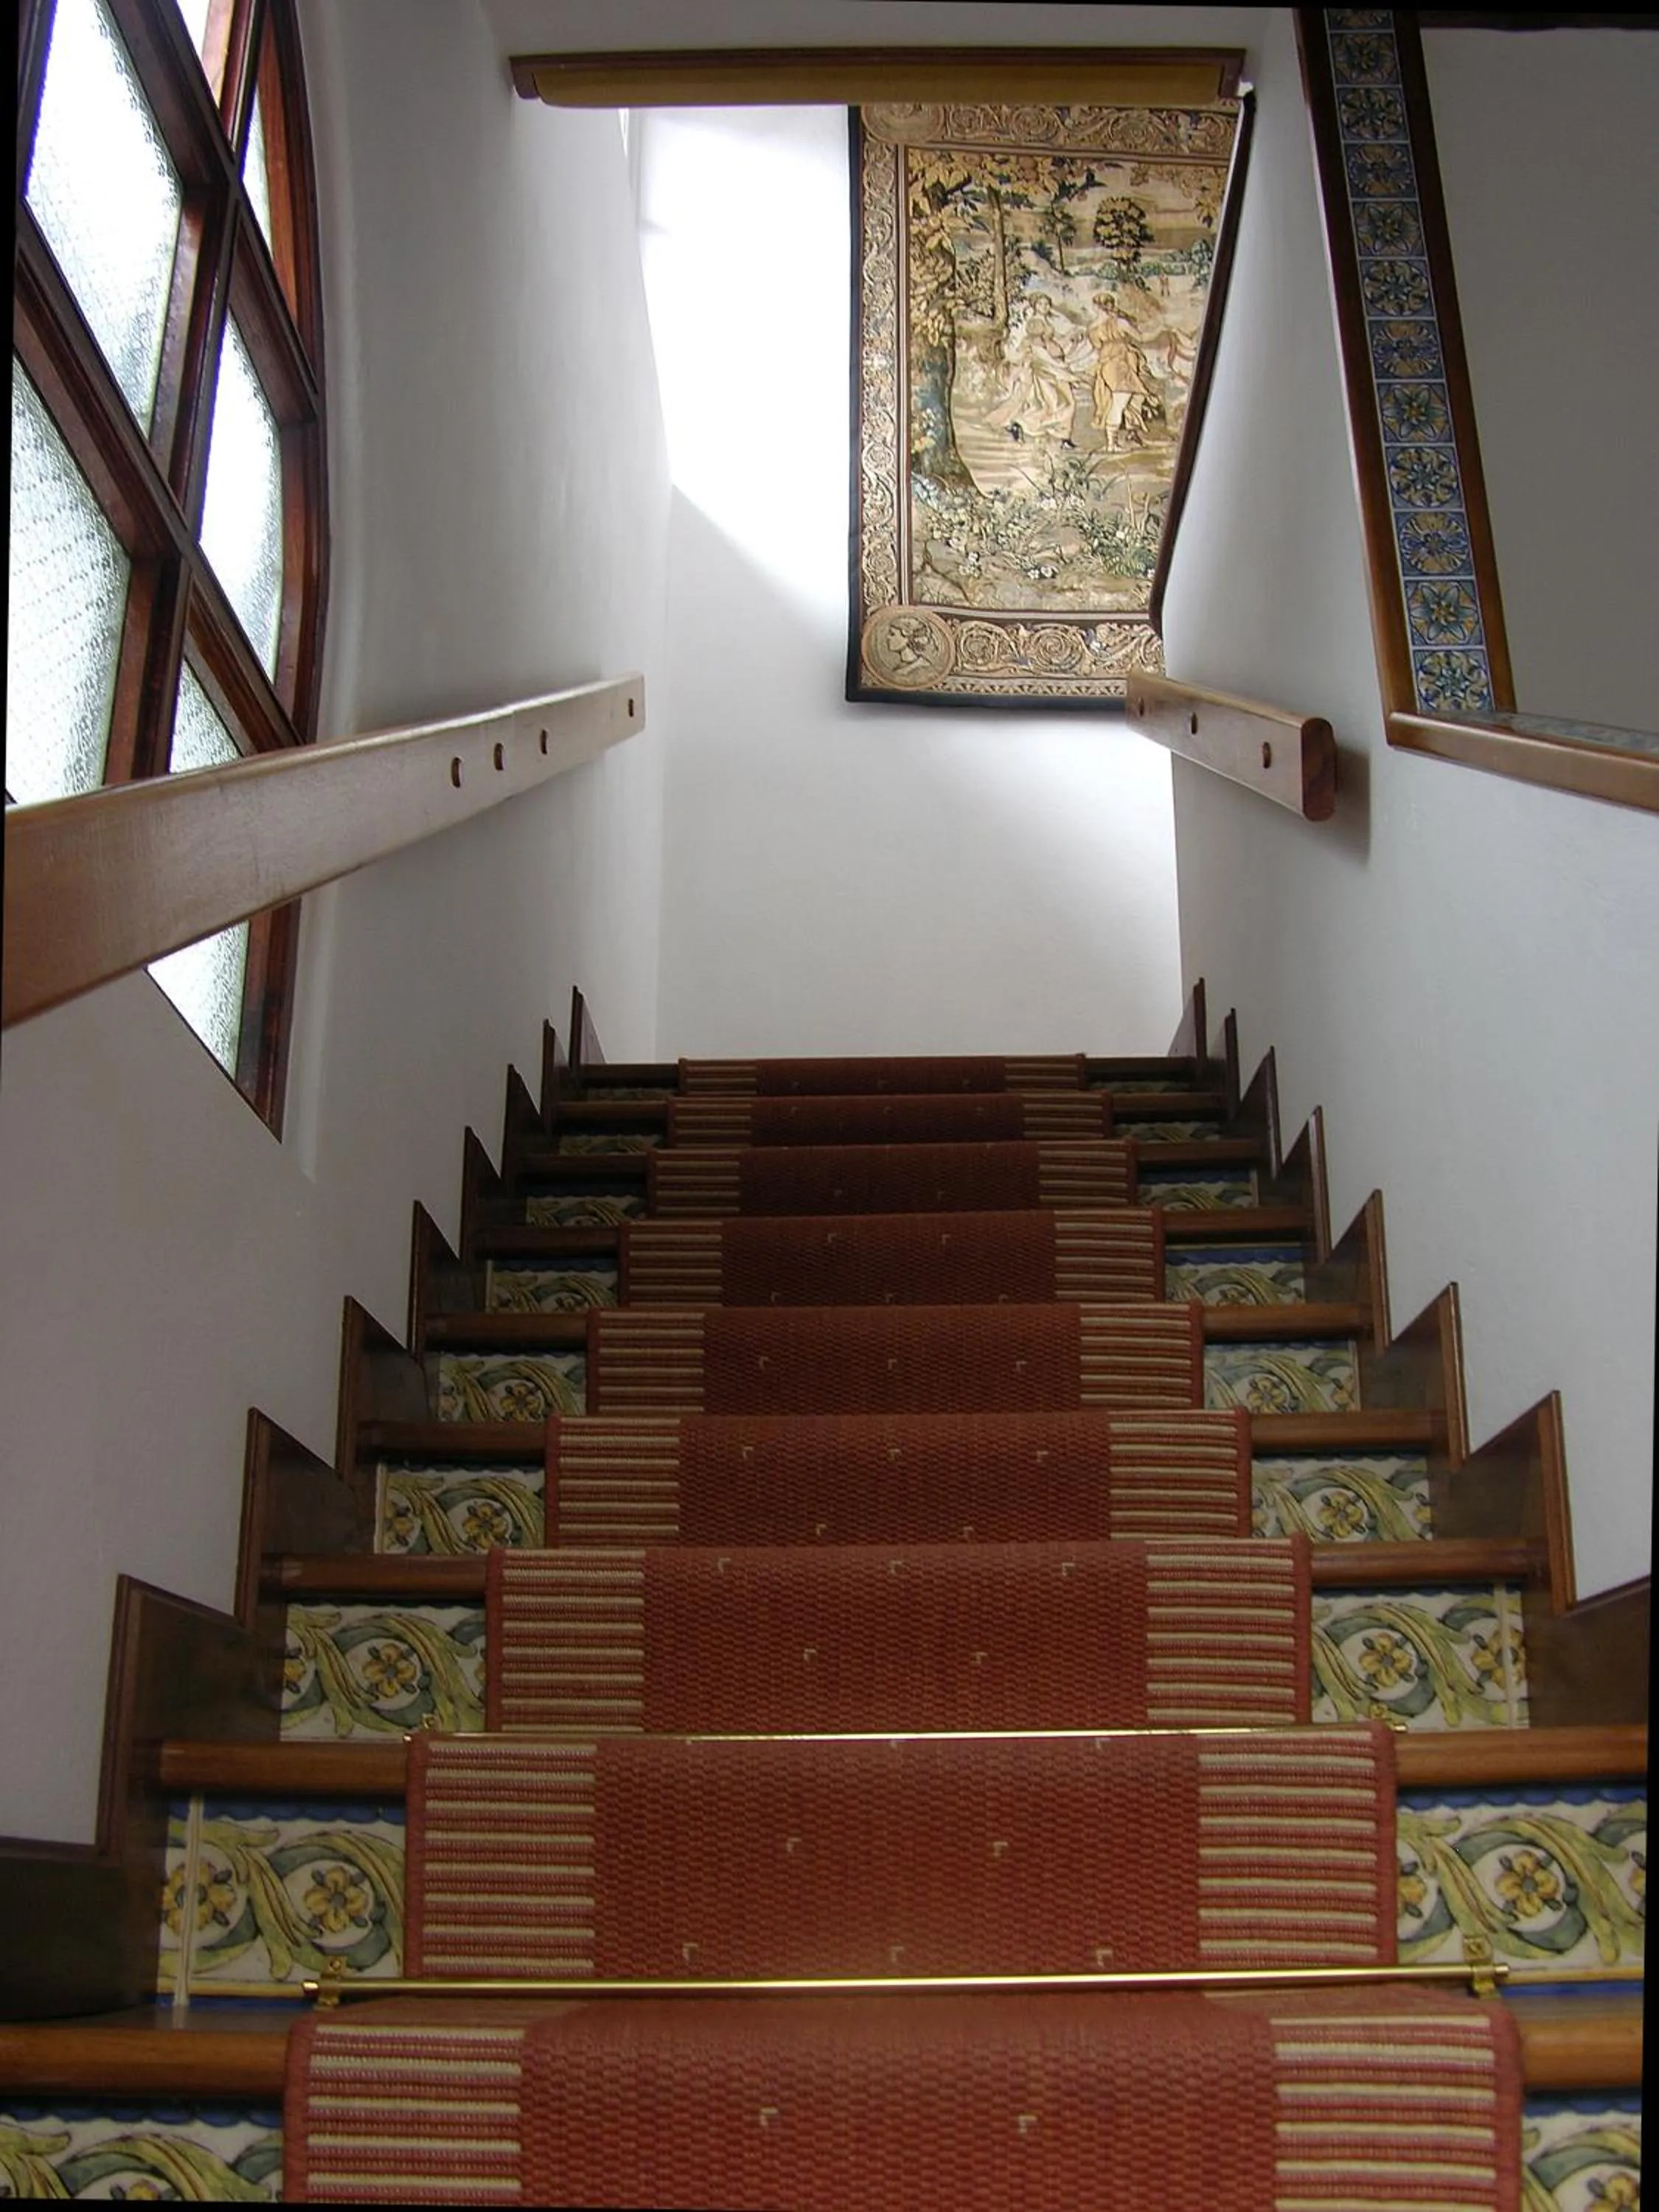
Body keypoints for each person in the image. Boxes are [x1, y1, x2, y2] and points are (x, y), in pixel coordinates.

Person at [984, 296, 1076, 445]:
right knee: (1052, 403)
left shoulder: (1049, 322)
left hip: (1054, 365)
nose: (1045, 306)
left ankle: (1064, 436)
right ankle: (1024, 426)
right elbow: (1034, 348)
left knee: (1061, 402)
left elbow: (1055, 340)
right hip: (1043, 368)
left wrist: (1070, 338)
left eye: (1047, 303)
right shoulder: (1034, 323)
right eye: (1041, 303)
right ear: (1034, 305)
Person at [1087, 296, 1155, 454]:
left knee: (1121, 401)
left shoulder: (1093, 328)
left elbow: (1097, 347)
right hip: (1121, 365)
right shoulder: (1120, 323)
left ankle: (1118, 439)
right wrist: (1159, 329)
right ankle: (1112, 444)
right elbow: (1142, 338)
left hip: (1107, 365)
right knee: (1119, 403)